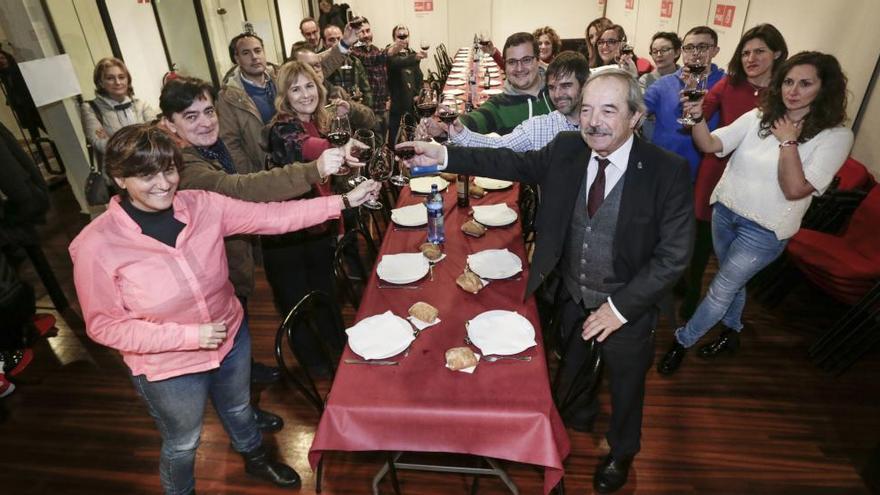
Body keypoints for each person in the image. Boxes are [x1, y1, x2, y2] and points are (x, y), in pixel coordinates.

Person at [400, 68, 694, 494]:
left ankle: (622, 451)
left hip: (628, 305)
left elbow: (674, 257)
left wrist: (619, 309)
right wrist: (443, 155)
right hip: (572, 294)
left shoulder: (666, 172)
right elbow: (507, 161)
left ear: (635, 116)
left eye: (609, 110)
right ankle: (577, 417)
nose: (593, 121)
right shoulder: (566, 150)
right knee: (571, 372)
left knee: (627, 386)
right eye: (587, 109)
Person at [69, 123, 379, 495]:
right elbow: (104, 326)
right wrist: (189, 336)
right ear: (119, 178)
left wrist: (342, 202)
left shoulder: (202, 205)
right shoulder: (96, 245)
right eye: (146, 175)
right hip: (167, 367)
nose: (164, 183)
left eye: (169, 170)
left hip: (230, 337)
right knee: (183, 442)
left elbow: (273, 218)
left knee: (238, 409)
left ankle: (255, 456)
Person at [161, 76, 354, 425]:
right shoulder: (185, 168)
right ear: (169, 124)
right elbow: (239, 189)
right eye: (191, 117)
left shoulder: (214, 148)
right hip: (212, 276)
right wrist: (314, 169)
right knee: (224, 354)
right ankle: (244, 421)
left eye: (208, 111)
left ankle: (247, 388)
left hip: (234, 263)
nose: (205, 122)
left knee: (238, 335)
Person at [658, 51, 852, 375]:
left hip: (765, 231)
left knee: (721, 288)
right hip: (726, 212)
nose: (793, 90)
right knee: (731, 283)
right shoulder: (760, 116)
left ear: (824, 88)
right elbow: (709, 145)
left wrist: (788, 142)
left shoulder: (835, 137)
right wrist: (697, 117)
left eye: (805, 83)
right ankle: (732, 332)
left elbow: (794, 189)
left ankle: (681, 341)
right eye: (789, 81)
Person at [679, 24, 788, 321]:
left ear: (777, 53)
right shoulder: (728, 84)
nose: (751, 58)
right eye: (745, 52)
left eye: (759, 52)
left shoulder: (785, 92)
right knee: (700, 239)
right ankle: (690, 293)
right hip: (716, 166)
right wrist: (692, 107)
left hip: (759, 177)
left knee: (736, 249)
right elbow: (699, 112)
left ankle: (727, 310)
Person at [262, 60, 355, 375]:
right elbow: (305, 148)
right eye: (295, 88)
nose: (304, 94)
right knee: (297, 304)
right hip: (286, 236)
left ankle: (339, 354)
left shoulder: (320, 120)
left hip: (316, 226)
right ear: (284, 96)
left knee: (326, 292)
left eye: (309, 85)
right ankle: (317, 369)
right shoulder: (281, 128)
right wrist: (339, 146)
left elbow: (328, 186)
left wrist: (338, 225)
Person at [432, 51, 587, 151]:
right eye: (552, 87)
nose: (558, 94)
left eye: (566, 86)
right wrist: (459, 133)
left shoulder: (602, 126)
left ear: (585, 85)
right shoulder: (541, 127)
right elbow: (498, 146)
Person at [644, 26, 725, 180]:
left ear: (715, 50)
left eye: (702, 47)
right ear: (682, 52)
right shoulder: (664, 84)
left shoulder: (725, 85)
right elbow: (636, 110)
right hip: (662, 169)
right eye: (689, 48)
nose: (695, 53)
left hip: (702, 172)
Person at [458, 32, 553, 136]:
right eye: (512, 62)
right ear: (505, 65)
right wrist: (448, 126)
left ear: (538, 60)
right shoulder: (499, 106)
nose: (519, 68)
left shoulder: (557, 92)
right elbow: (474, 120)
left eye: (526, 60)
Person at [292, 44, 379, 132]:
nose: (315, 70)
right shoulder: (293, 103)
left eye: (317, 65)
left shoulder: (337, 92)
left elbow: (370, 120)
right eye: (307, 67)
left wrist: (350, 109)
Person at [81, 58, 158, 158]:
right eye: (110, 78)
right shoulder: (90, 109)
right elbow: (103, 145)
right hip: (119, 170)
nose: (117, 82)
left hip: (150, 162)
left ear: (128, 80)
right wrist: (142, 141)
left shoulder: (142, 105)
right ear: (100, 82)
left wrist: (117, 141)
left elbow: (156, 135)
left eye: (121, 77)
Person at [349, 18, 406, 137]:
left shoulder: (375, 49)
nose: (366, 35)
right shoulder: (353, 52)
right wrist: (390, 51)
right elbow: (371, 59)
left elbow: (384, 76)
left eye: (368, 30)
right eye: (362, 32)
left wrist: (388, 98)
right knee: (370, 142)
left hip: (382, 107)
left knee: (382, 140)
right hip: (367, 109)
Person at [386, 24, 427, 147]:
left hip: (410, 97)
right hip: (397, 97)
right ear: (394, 38)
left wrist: (419, 92)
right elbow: (398, 63)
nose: (403, 39)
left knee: (412, 125)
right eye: (400, 36)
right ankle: (392, 154)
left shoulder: (411, 52)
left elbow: (418, 75)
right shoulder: (390, 53)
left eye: (405, 36)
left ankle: (412, 147)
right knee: (394, 130)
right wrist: (415, 57)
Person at [638, 32, 682, 141]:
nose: (658, 55)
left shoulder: (685, 79)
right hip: (649, 139)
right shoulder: (646, 79)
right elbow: (641, 111)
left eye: (664, 50)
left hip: (676, 139)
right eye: (654, 51)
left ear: (677, 52)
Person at [0, 47, 45, 142]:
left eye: (2, 58)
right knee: (32, 130)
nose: (1, 61)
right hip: (20, 106)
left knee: (43, 124)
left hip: (30, 103)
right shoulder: (3, 74)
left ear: (7, 58)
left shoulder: (17, 69)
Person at [323, 24, 373, 108]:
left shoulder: (355, 62)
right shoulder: (321, 66)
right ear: (324, 43)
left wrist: (365, 109)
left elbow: (367, 91)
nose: (336, 43)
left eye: (339, 39)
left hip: (355, 111)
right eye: (331, 40)